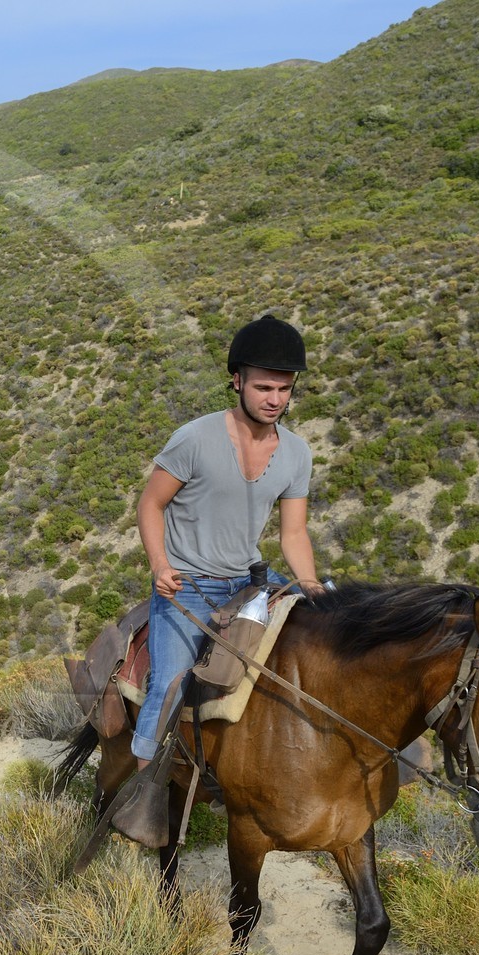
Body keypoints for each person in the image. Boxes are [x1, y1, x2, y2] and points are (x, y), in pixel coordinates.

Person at [117, 315, 324, 842]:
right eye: (263, 386)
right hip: (187, 585)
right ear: (236, 380)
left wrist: (314, 584)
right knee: (167, 682)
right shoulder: (194, 439)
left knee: (330, 636)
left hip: (249, 580)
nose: (274, 398)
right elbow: (150, 504)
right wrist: (160, 565)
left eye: (283, 388)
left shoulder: (296, 453)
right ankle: (145, 797)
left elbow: (294, 533)